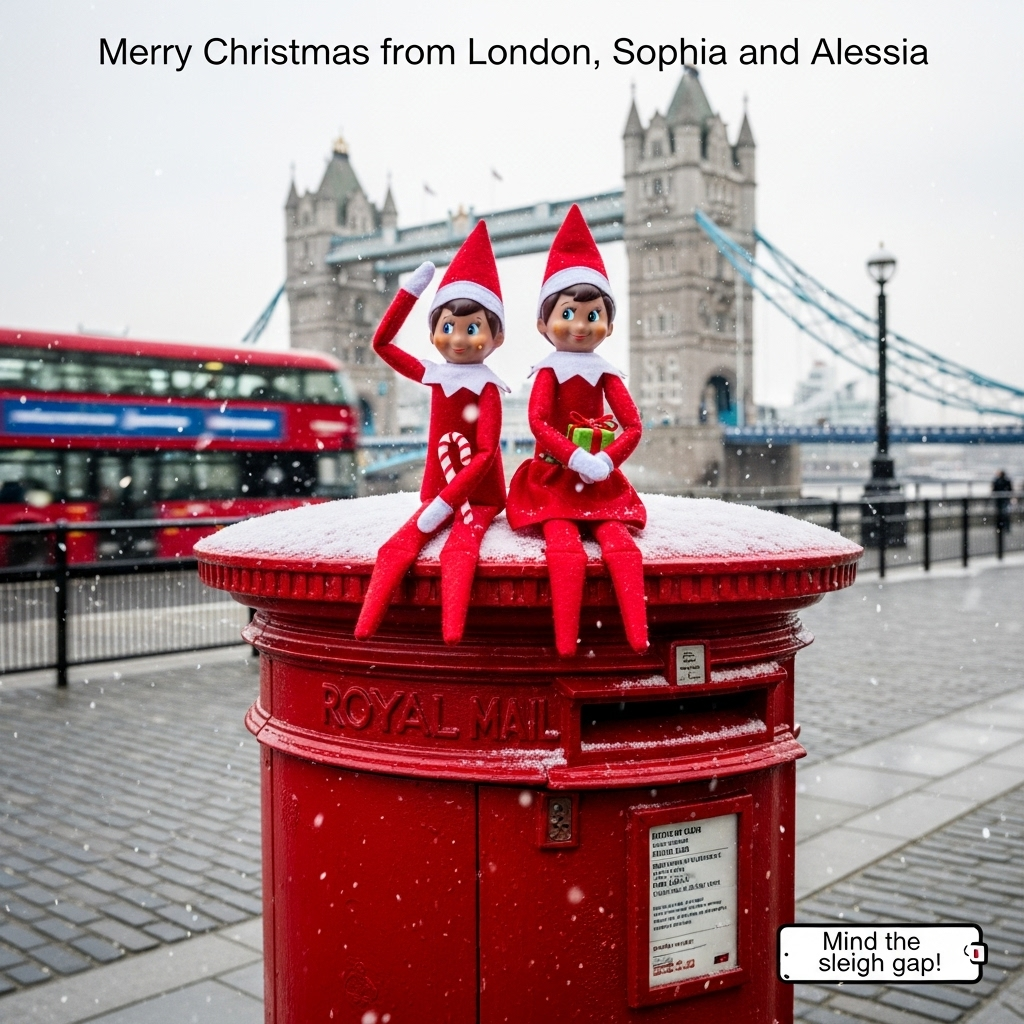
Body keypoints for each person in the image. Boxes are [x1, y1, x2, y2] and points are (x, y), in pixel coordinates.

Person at [354, 221, 509, 644]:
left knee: (461, 551)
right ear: (433, 332)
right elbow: (382, 344)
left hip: (480, 495)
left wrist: (445, 504)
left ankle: (452, 636)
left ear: (497, 337)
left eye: (472, 328)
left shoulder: (488, 389)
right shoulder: (435, 376)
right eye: (447, 327)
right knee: (394, 549)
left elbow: (485, 453)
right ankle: (364, 632)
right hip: (437, 489)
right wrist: (410, 292)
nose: (457, 338)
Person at [506, 205, 648, 657]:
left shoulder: (607, 373)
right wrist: (575, 456)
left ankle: (638, 639)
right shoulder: (548, 372)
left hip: (600, 478)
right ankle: (566, 642)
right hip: (554, 478)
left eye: (593, 315)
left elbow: (633, 424)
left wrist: (607, 459)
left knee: (621, 548)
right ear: (543, 324)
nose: (582, 326)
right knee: (563, 548)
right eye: (569, 314)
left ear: (608, 322)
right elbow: (538, 422)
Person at [993, 469, 1013, 534]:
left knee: (1000, 514)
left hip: (1000, 500)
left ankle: (1000, 528)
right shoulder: (1006, 481)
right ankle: (1005, 527)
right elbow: (1010, 490)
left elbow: (994, 490)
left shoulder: (997, 481)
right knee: (1005, 514)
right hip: (1005, 500)